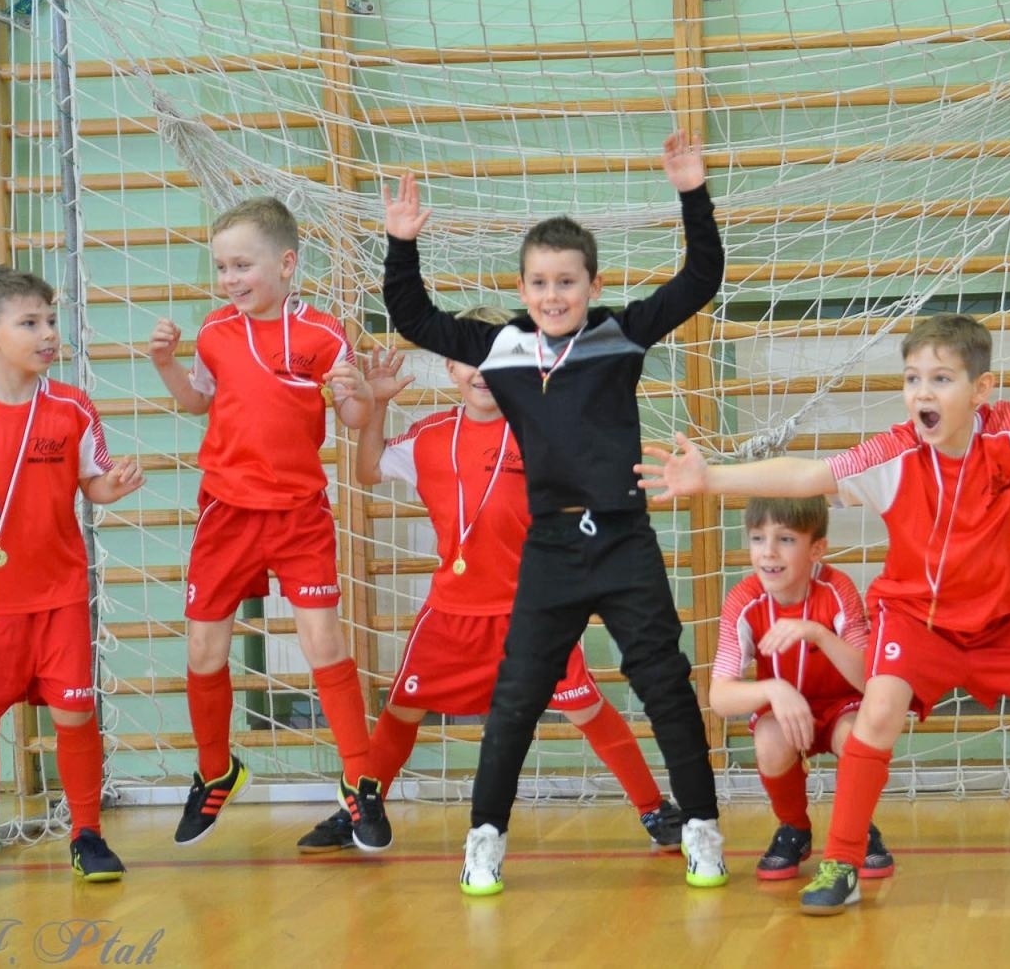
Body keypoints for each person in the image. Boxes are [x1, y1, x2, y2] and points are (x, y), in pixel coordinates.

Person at [638, 285, 1010, 915]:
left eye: (940, 379)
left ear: (981, 390)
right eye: (912, 379)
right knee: (877, 716)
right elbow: (807, 475)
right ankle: (842, 861)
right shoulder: (894, 453)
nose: (922, 393)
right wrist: (710, 478)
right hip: (914, 622)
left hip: (1002, 623)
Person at [381, 129, 727, 894]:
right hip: (552, 551)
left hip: (625, 541)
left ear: (591, 284)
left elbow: (701, 277)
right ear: (523, 287)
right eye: (539, 282)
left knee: (666, 685)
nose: (553, 295)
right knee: (516, 699)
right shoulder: (503, 348)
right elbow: (413, 316)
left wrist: (692, 195)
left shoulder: (620, 334)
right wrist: (402, 245)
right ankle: (484, 840)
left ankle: (702, 827)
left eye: (566, 282)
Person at [295, 309, 684, 855]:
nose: (482, 370)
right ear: (451, 367)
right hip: (451, 614)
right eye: (469, 358)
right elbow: (369, 468)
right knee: (402, 710)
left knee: (585, 708)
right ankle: (356, 809)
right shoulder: (430, 435)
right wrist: (377, 405)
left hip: (533, 611)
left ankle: (654, 809)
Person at [147, 197, 390, 851]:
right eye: (222, 267)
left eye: (242, 265)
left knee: (323, 643)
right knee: (205, 650)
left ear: (285, 264)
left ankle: (360, 780)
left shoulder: (323, 334)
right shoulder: (214, 331)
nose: (230, 278)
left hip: (298, 514)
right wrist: (166, 363)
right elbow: (198, 400)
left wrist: (358, 394)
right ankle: (215, 769)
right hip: (226, 512)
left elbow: (355, 418)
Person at [0, 266, 144, 891]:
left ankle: (87, 834)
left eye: (50, 320)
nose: (48, 334)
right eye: (30, 322)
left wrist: (113, 485)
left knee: (74, 714)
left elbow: (93, 482)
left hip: (57, 595)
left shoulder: (72, 406)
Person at [709, 496, 893, 881]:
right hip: (787, 714)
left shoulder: (837, 588)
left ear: (817, 549)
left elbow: (869, 679)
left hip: (842, 706)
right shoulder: (743, 600)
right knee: (769, 739)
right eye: (758, 538)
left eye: (786, 539)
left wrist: (818, 634)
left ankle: (857, 827)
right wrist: (774, 690)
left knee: (862, 736)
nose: (768, 552)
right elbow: (719, 696)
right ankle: (794, 827)